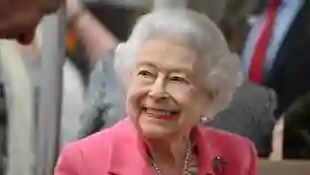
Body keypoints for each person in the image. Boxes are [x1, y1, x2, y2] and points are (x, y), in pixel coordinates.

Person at [54, 9, 258, 175]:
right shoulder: (83, 162)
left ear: (210, 96)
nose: (157, 92)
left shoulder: (237, 157)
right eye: (147, 74)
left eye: (177, 79)